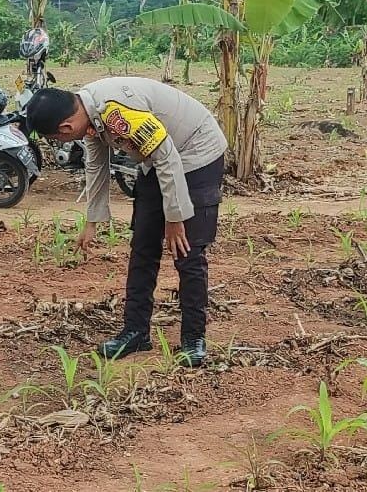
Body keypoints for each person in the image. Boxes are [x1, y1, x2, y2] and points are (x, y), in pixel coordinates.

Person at [25, 78, 226, 364]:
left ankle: (193, 338)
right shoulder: (88, 113)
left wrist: (175, 217)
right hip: (158, 158)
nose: (63, 143)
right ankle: (135, 332)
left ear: (66, 128)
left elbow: (167, 157)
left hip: (196, 151)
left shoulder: (117, 113)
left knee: (187, 251)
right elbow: (96, 164)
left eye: (57, 139)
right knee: (143, 246)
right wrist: (92, 221)